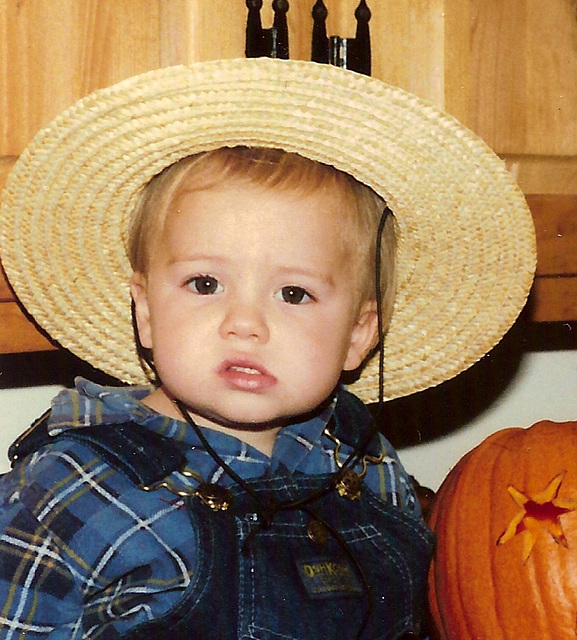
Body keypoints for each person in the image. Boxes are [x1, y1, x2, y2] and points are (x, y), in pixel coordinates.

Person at [0, 58, 536, 639]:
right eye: (205, 284)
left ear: (359, 334)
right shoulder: (66, 489)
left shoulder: (365, 465)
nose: (246, 324)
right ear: (147, 311)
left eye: (294, 293)